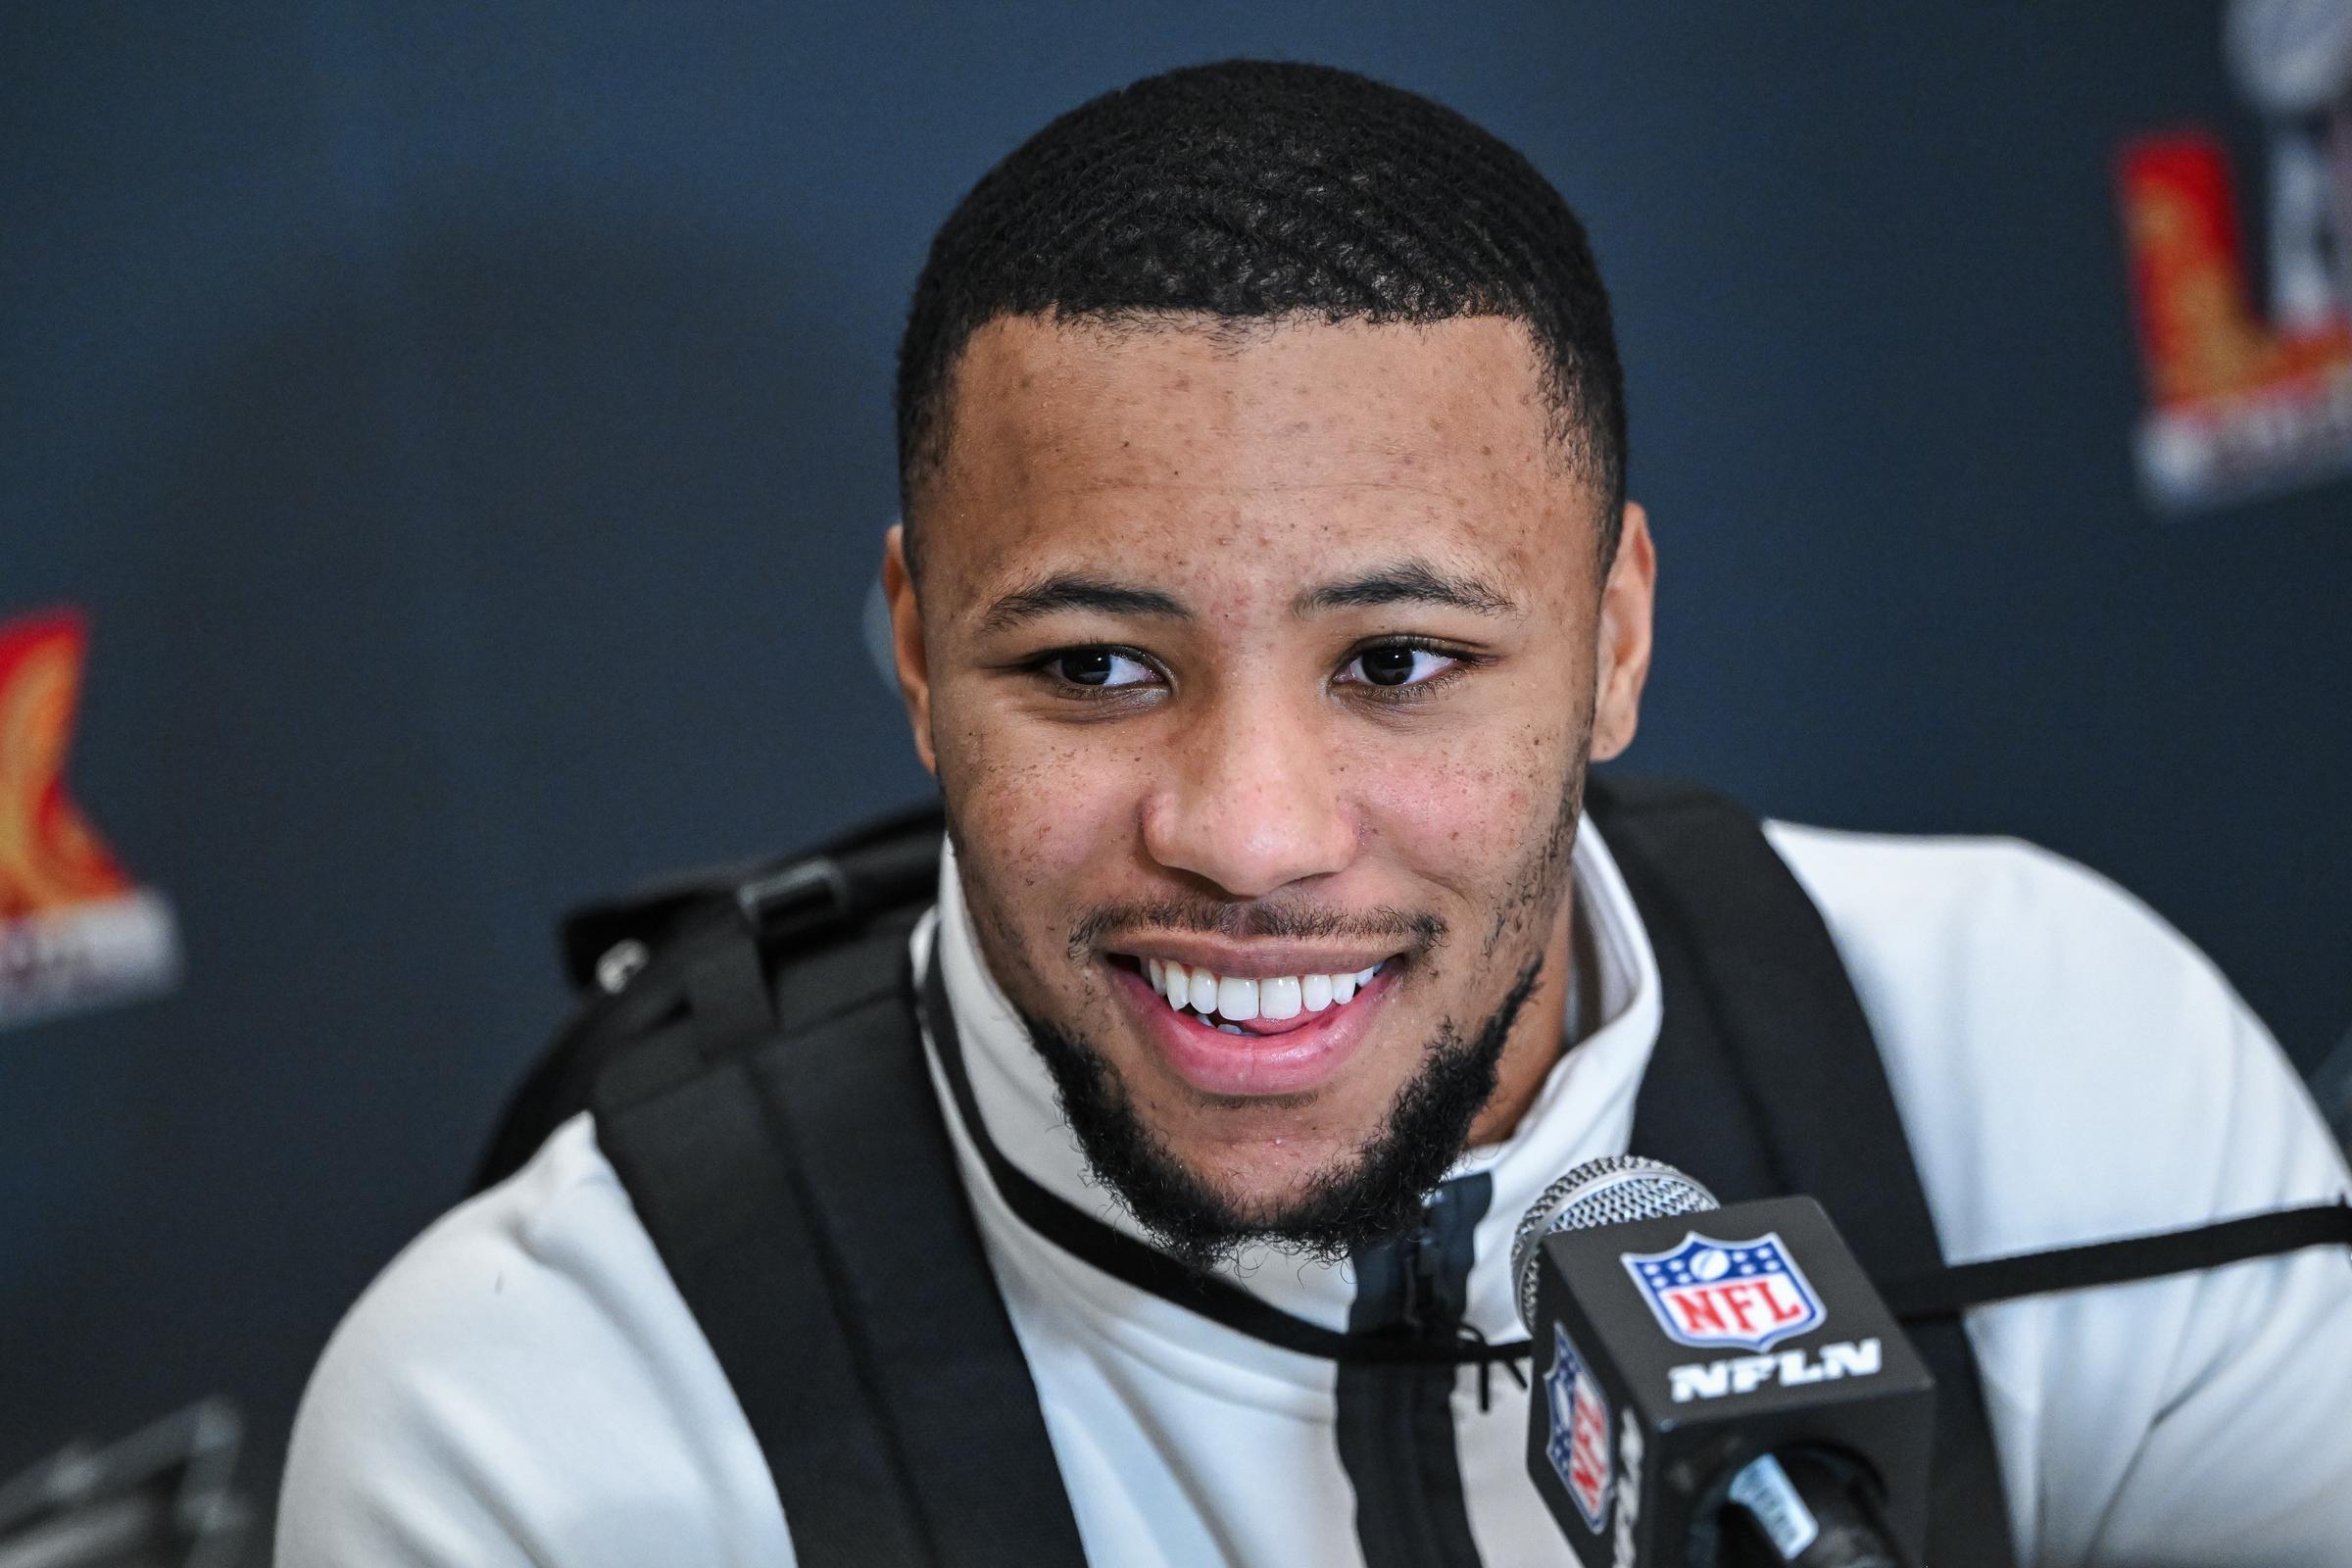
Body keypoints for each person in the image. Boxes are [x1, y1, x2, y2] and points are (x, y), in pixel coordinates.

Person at [277, 61, 2352, 1568]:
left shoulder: (2051, 1063)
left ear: (1615, 637)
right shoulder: (547, 1419)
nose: (1253, 834)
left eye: (1399, 661)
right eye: (1096, 665)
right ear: (916, 650)